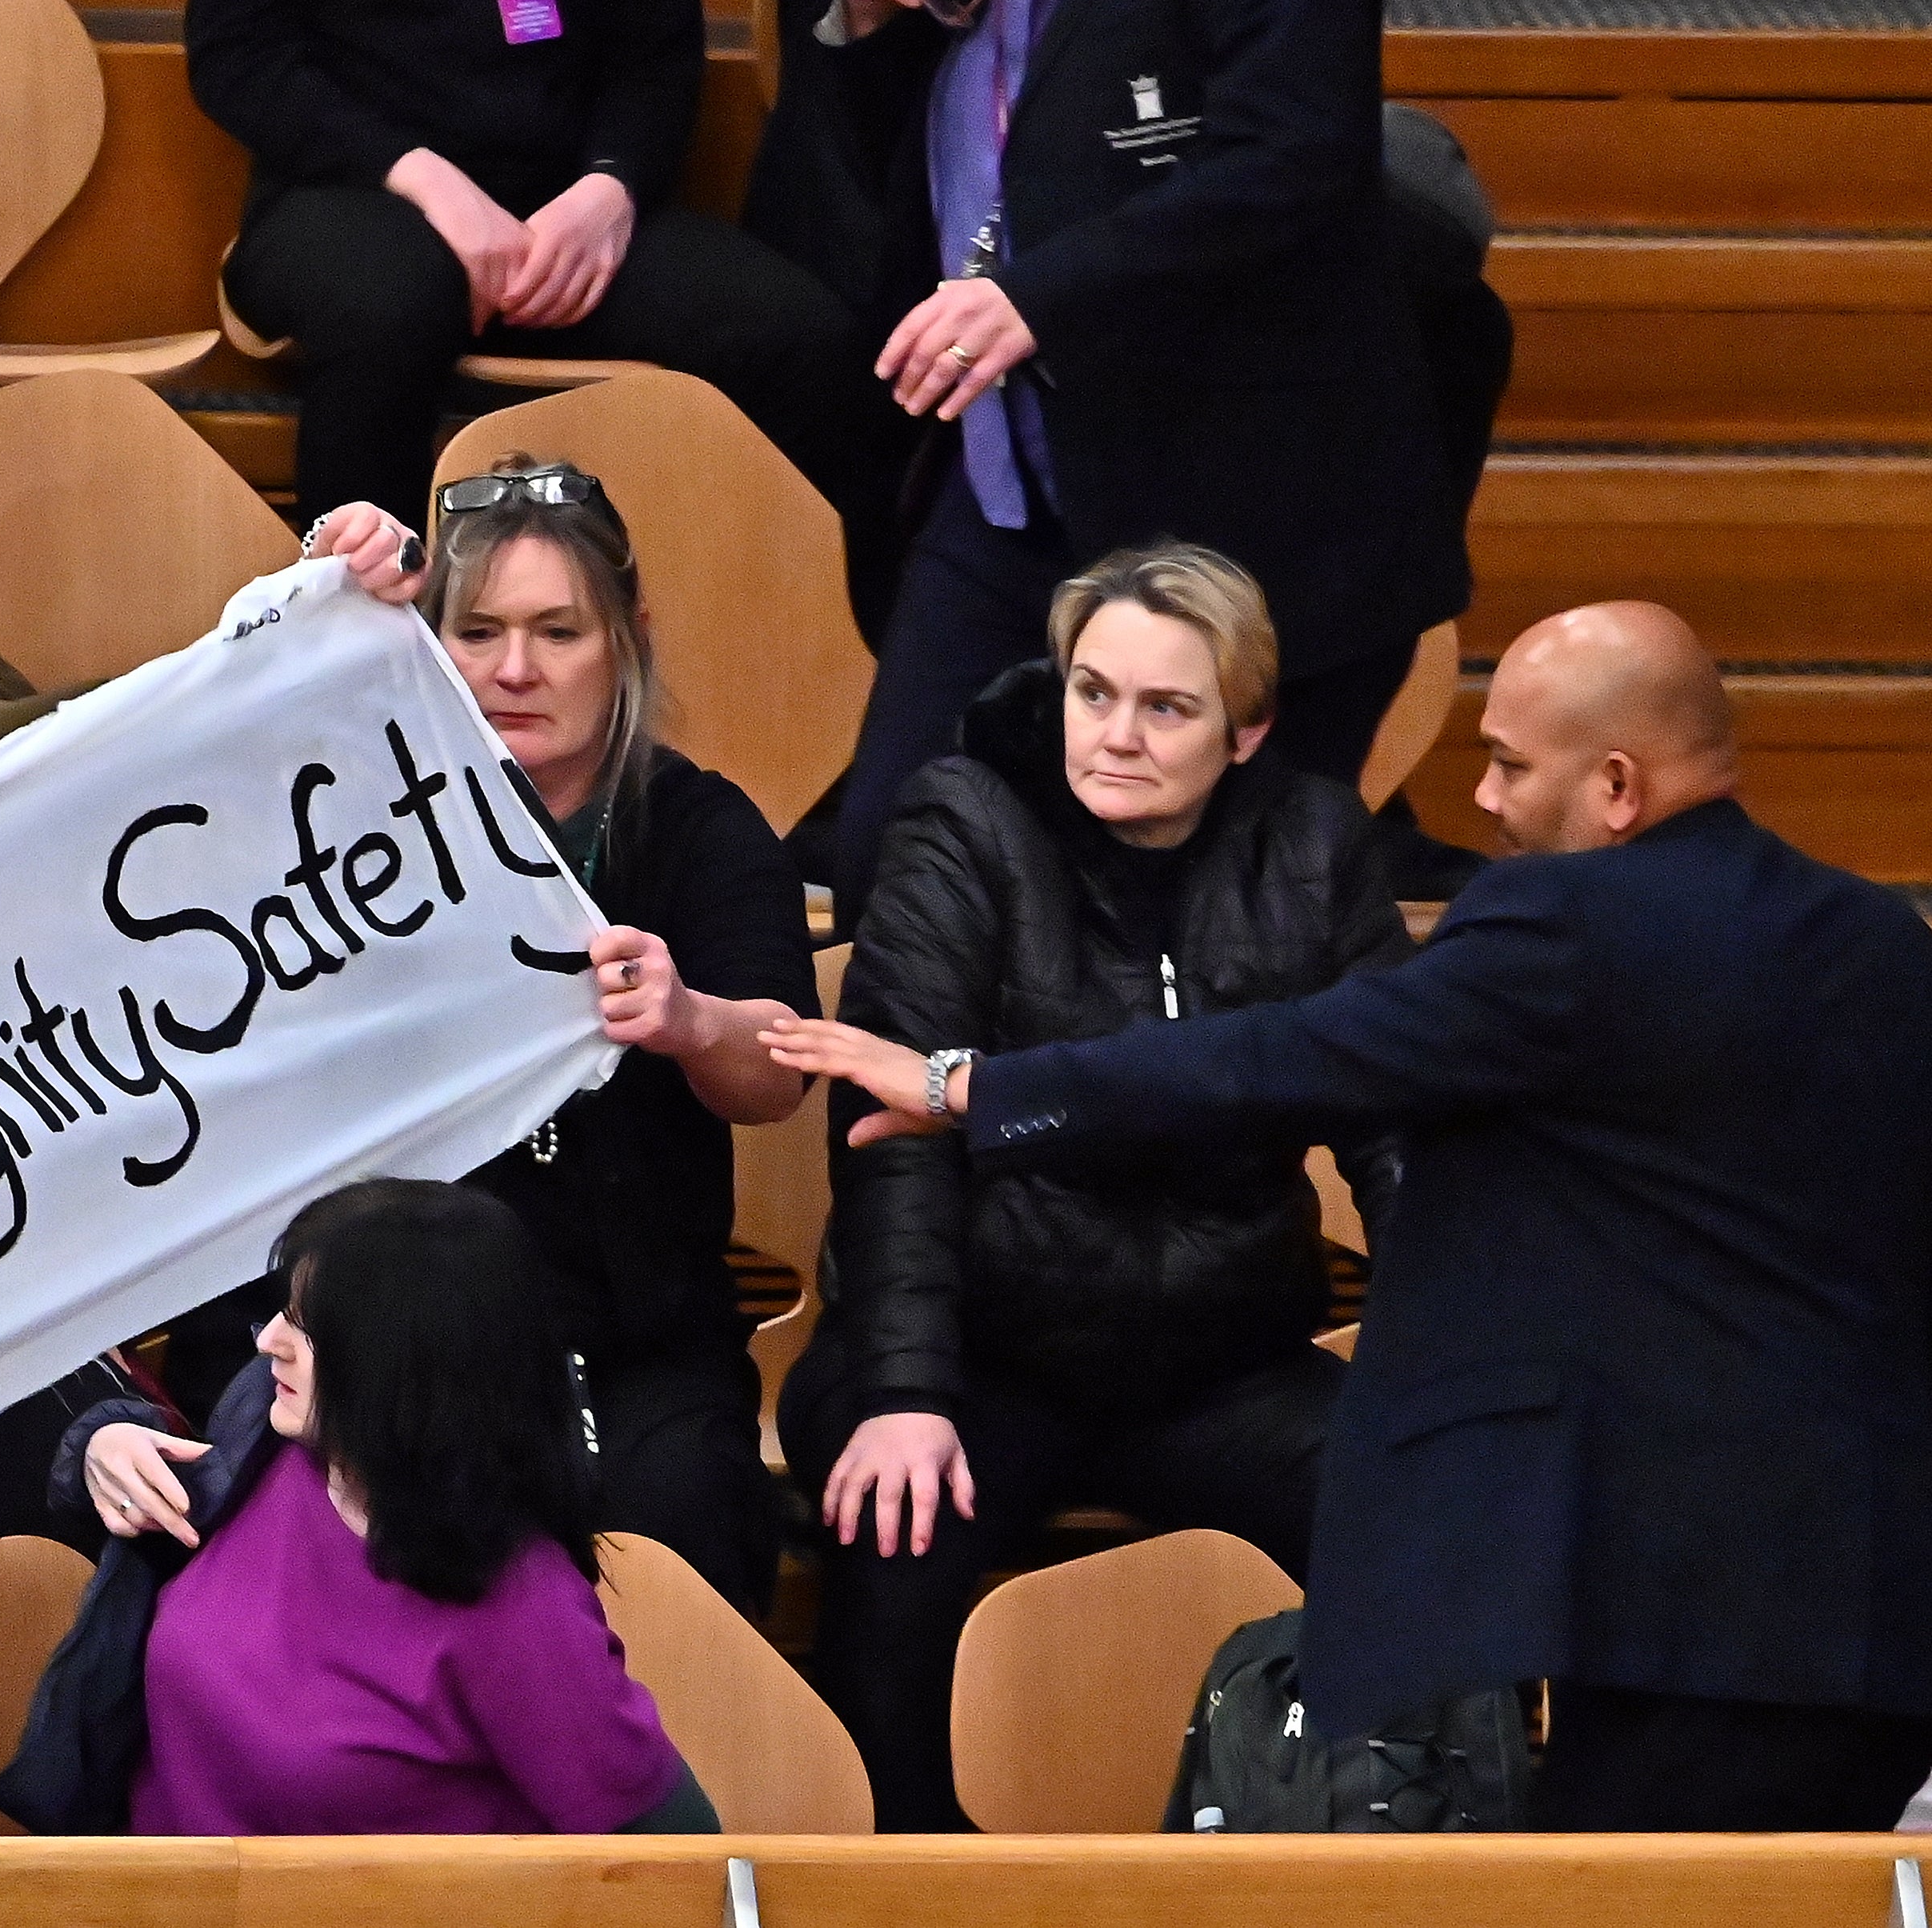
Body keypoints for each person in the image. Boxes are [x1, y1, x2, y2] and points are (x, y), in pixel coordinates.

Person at [785, 601, 1932, 1832]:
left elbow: (1284, 1059)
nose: (1482, 801)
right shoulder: (1880, 941)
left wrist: (975, 1085)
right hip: (1880, 1585)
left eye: (1506, 763)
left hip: (1685, 1597)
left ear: (1614, 785)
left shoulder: (1562, 926)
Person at [758, 542, 1405, 1830]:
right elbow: (896, 1138)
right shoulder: (965, 817)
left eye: (1164, 708)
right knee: (896, 1524)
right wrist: (899, 1389)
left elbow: (1396, 1123)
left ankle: (1361, 1863)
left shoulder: (1314, 842)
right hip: (984, 1347)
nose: (1114, 735)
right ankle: (891, 1881)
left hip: (1225, 1355)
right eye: (1091, 691)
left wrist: (1443, 1368)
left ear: (1246, 728)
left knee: (1412, 1507)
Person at [170, 468, 817, 1619]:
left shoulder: (700, 827)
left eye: (557, 632)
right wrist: (320, 584)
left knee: (684, 1524)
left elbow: (774, 1071)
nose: (514, 670)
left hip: (629, 1338)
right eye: (477, 632)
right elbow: (217, 756)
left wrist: (688, 1020)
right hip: (377, 1328)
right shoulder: (344, 809)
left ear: (626, 638)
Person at [818, 0, 1468, 928]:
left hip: (1246, 501)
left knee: (1221, 933)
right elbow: (926, 173)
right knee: (897, 862)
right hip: (1008, 487)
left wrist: (1038, 297)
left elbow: (1292, 156)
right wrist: (873, 24)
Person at [190, 0, 898, 617]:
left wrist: (611, 188)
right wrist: (428, 183)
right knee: (394, 303)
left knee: (802, 337)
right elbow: (240, 58)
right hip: (349, 191)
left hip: (568, 218)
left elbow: (657, 57)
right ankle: (352, 656)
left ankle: (830, 673)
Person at [0, 1178, 718, 1836]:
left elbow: (678, 1850)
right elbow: (158, 1521)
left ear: (403, 1364)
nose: (268, 1340)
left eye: (304, 1326)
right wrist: (102, 1442)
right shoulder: (272, 1435)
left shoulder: (517, 1604)